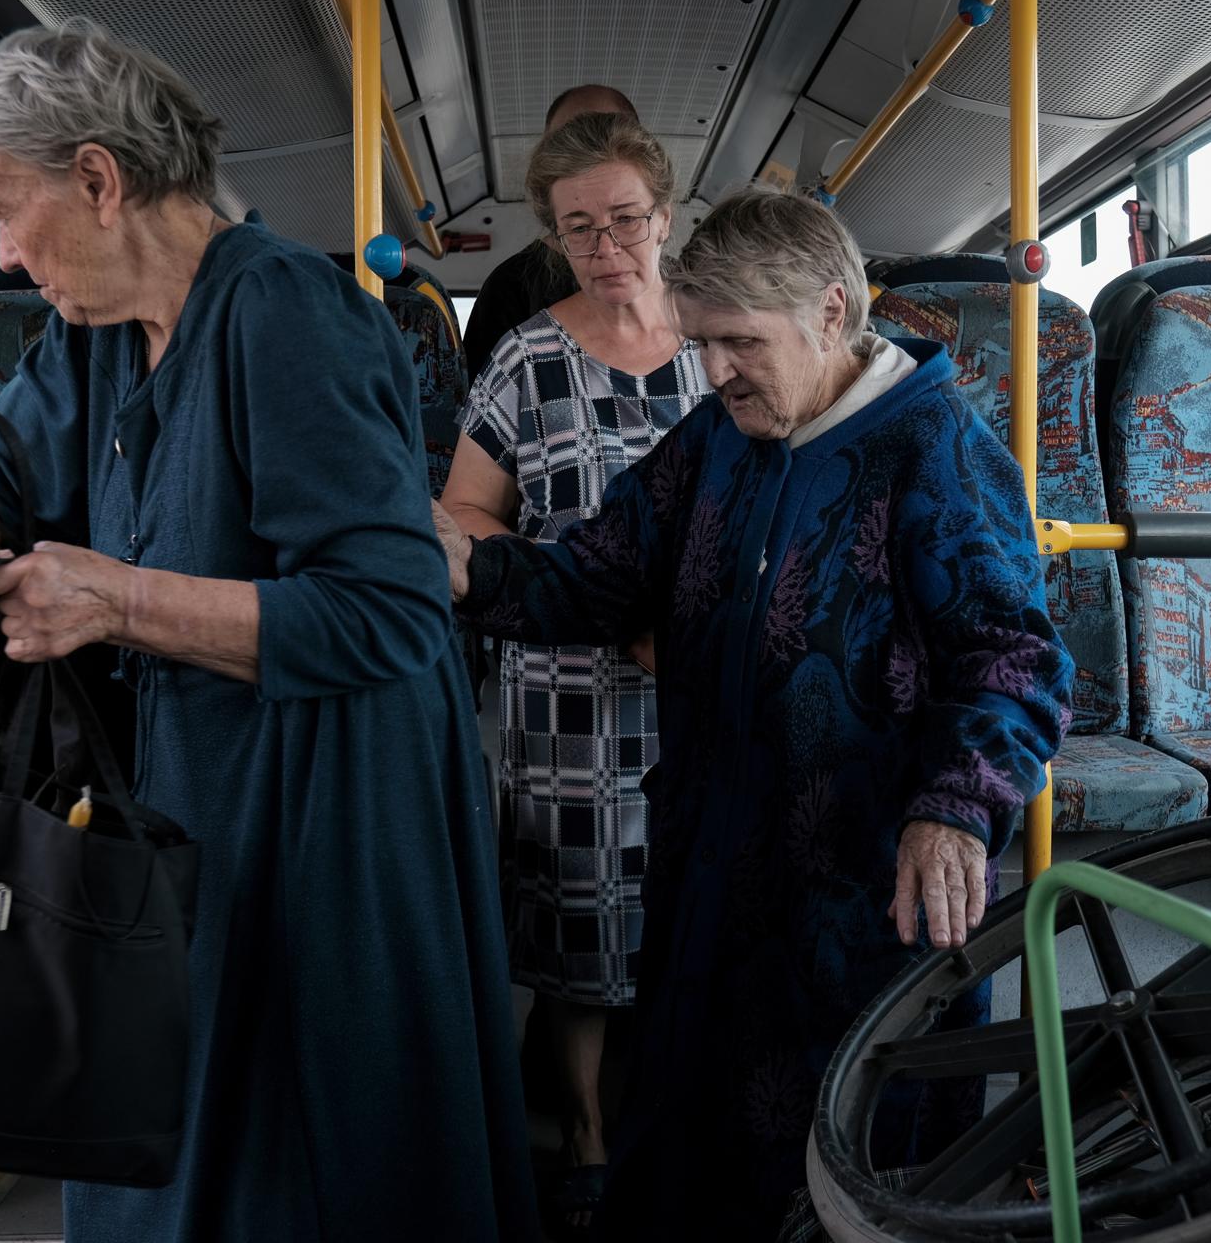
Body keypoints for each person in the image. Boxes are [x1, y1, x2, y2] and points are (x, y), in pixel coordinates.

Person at [0, 21, 535, 1243]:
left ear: (98, 177)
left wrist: (119, 597)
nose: (7, 256)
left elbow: (393, 610)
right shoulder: (98, 337)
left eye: (8, 214)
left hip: (326, 809)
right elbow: (4, 451)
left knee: (298, 1152)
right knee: (174, 1122)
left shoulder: (286, 317)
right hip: (197, 787)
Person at [432, 188, 1074, 1239]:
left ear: (832, 311)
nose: (715, 368)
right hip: (712, 873)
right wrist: (470, 569)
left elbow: (1013, 659)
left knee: (846, 1168)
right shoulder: (718, 435)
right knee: (691, 1152)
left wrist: (956, 804)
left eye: (739, 342)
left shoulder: (937, 450)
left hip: (862, 897)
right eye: (702, 340)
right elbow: (601, 574)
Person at [440, 110, 710, 1229]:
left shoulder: (723, 334)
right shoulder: (527, 358)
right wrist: (536, 577)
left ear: (668, 213)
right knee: (580, 922)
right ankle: (592, 1141)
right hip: (564, 689)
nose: (608, 250)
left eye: (627, 222)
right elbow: (461, 509)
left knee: (701, 904)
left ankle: (690, 1123)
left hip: (707, 678)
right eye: (579, 229)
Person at [461, 85, 638, 380]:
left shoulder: (679, 291)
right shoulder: (510, 287)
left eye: (607, 133)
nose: (606, 248)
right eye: (569, 140)